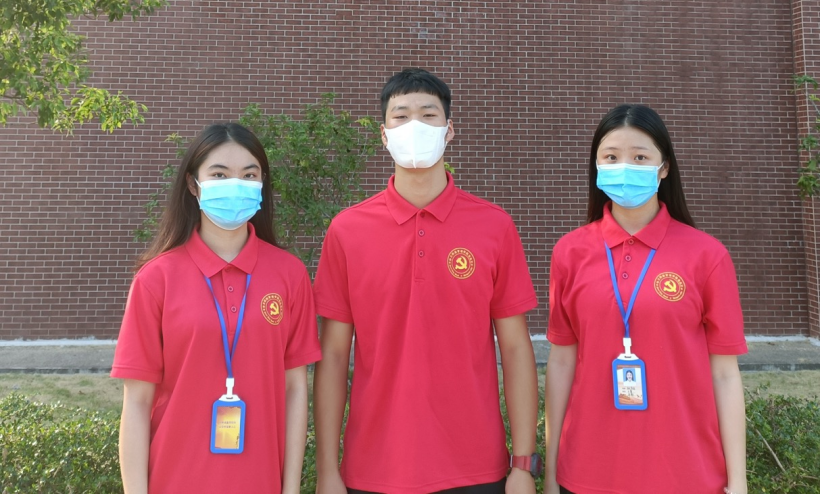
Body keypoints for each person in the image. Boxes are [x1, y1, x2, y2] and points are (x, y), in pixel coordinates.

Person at [313, 68, 540, 494]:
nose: (414, 126)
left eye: (428, 115)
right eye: (401, 116)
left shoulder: (494, 226)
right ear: (384, 135)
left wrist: (523, 465)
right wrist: (327, 471)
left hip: (476, 467)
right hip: (373, 467)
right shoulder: (347, 230)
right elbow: (334, 355)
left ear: (449, 130)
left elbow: (515, 348)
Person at [545, 104, 748, 494]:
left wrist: (737, 481)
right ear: (597, 166)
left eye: (640, 157)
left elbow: (724, 374)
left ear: (664, 167)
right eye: (611, 157)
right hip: (586, 473)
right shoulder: (569, 253)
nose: (625, 167)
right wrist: (551, 475)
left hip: (686, 475)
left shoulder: (707, 255)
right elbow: (561, 363)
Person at [112, 123, 321, 494]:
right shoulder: (155, 279)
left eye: (249, 175)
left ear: (262, 184)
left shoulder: (289, 274)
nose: (235, 185)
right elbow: (138, 404)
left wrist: (290, 489)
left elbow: (295, 390)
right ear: (193, 185)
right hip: (173, 481)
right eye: (220, 174)